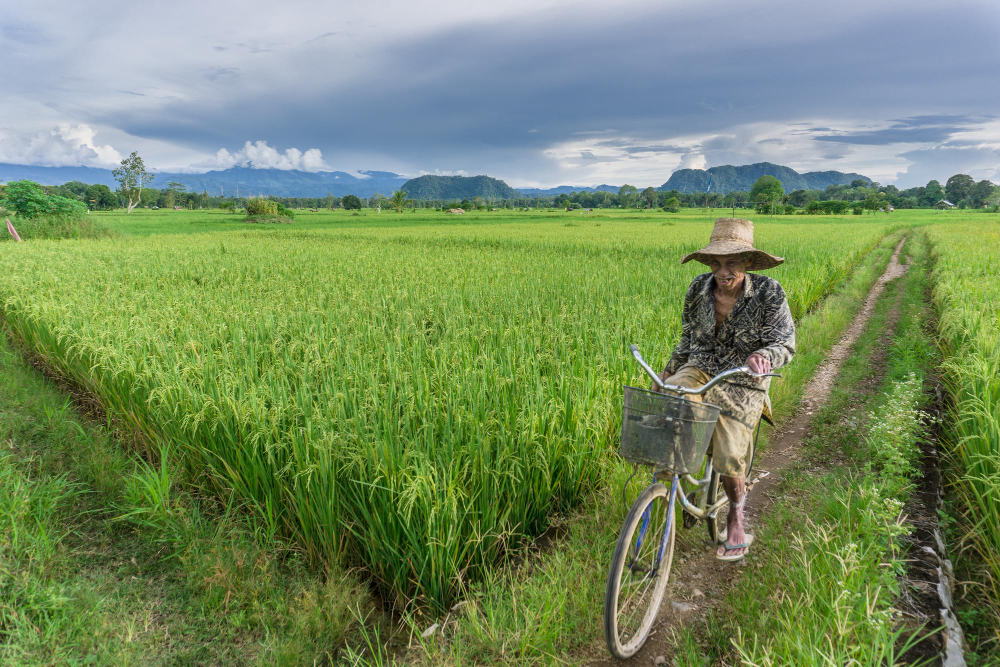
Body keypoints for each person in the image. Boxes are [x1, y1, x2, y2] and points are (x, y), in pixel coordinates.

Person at [655, 217, 795, 561]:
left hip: (742, 378)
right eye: (716, 263)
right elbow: (688, 337)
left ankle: (735, 514)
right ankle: (680, 480)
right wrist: (669, 370)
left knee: (730, 452)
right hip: (700, 367)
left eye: (731, 262)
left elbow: (784, 342)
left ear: (747, 261)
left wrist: (764, 356)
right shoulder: (697, 289)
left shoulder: (769, 292)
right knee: (671, 403)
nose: (722, 271)